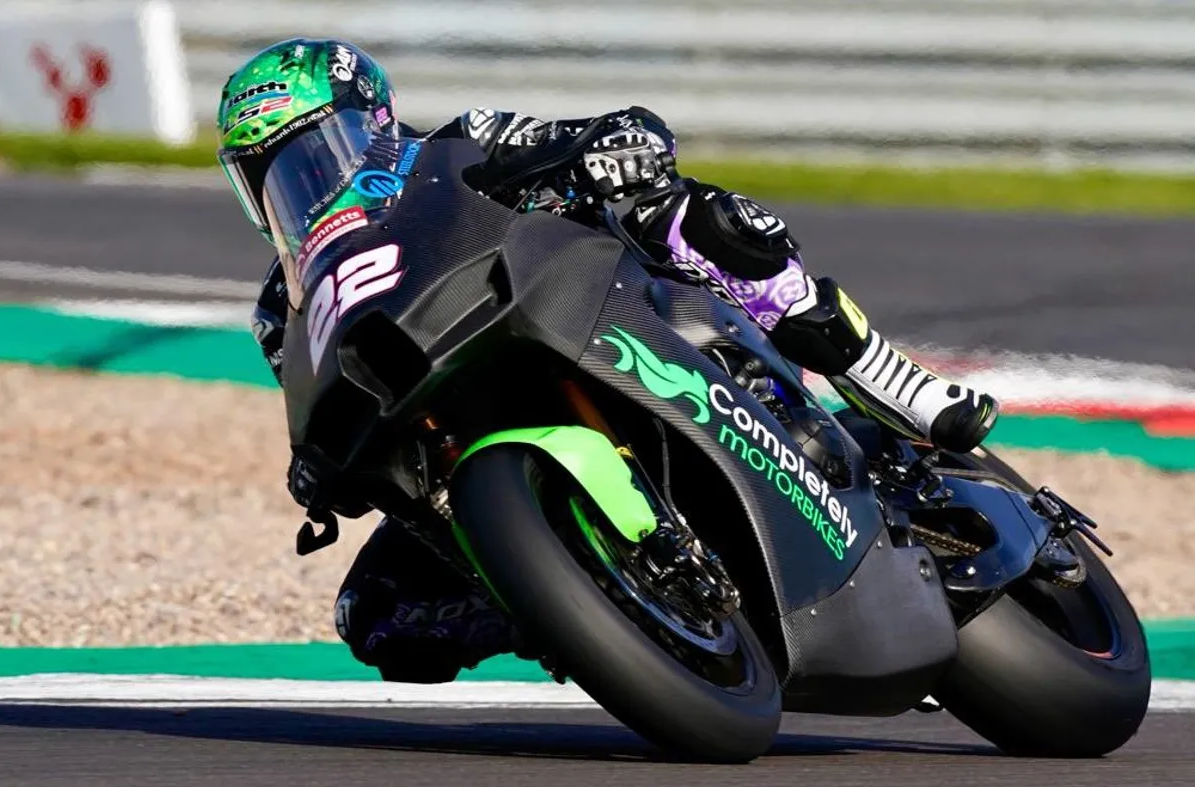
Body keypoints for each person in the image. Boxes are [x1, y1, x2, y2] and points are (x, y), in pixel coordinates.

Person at [218, 39, 1000, 683]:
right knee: (377, 616)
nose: (303, 182)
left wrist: (614, 151)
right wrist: (319, 469)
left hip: (610, 310)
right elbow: (327, 417)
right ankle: (588, 605)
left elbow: (609, 132)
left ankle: (886, 379)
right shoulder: (281, 308)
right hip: (471, 432)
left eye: (318, 150)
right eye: (272, 174)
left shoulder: (460, 143)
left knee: (698, 218)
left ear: (374, 121)